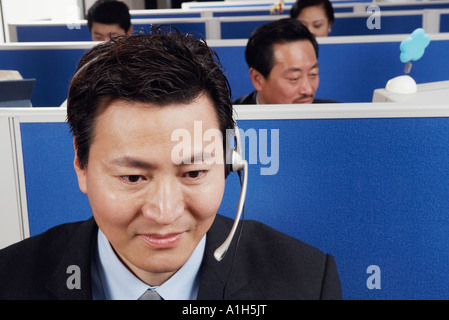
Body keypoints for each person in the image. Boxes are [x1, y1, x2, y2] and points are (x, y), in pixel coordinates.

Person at [0, 26, 341, 300]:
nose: (164, 213)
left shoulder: (306, 282)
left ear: (226, 163)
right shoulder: (10, 280)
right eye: (133, 177)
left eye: (193, 173)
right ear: (81, 165)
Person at [233, 18, 336, 105]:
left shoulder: (338, 119)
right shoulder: (226, 123)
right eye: (294, 78)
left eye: (313, 74)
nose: (308, 90)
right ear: (258, 79)